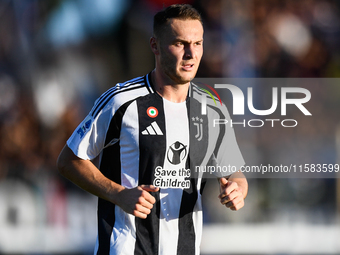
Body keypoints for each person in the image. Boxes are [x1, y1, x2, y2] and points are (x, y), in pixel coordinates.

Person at [57, 4, 248, 255]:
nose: (191, 53)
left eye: (198, 43)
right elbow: (69, 160)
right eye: (180, 43)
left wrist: (237, 191)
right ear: (155, 46)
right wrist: (119, 194)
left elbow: (236, 175)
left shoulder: (212, 107)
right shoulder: (120, 101)